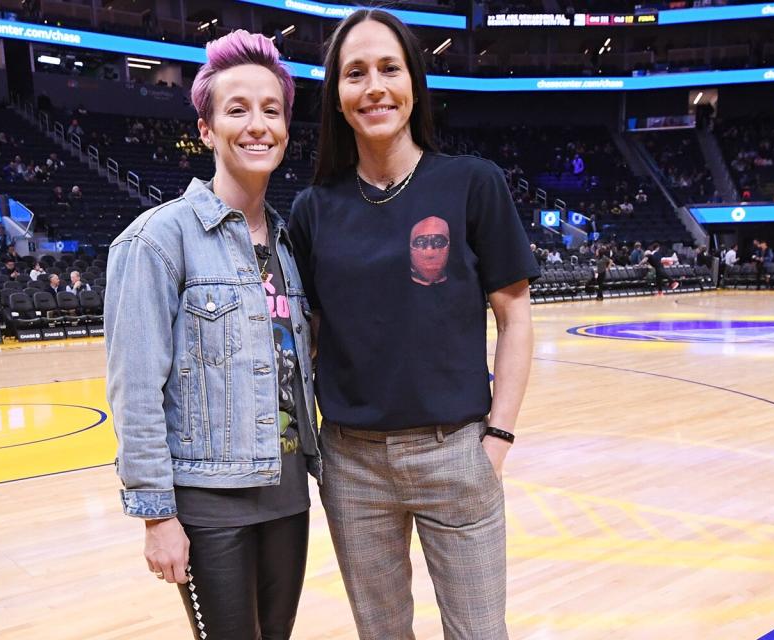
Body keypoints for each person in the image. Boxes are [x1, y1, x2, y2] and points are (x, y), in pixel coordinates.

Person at [287, 10, 540, 640]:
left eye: (388, 68)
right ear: (338, 99)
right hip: (353, 463)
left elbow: (515, 316)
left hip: (456, 451)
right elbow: (307, 334)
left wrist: (498, 437)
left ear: (414, 84)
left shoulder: (472, 184)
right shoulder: (313, 209)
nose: (373, 86)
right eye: (355, 73)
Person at [104, 30, 318, 640]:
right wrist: (156, 516)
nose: (257, 125)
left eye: (271, 111)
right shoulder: (156, 240)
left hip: (287, 493)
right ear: (205, 129)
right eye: (237, 110)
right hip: (208, 504)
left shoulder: (289, 242)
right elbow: (136, 390)